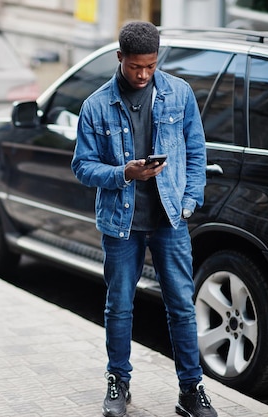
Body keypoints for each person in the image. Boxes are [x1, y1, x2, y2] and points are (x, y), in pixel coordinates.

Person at [71, 21, 217, 417]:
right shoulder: (96, 105)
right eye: (136, 66)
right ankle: (118, 381)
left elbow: (196, 151)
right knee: (119, 306)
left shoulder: (179, 94)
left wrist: (189, 200)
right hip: (121, 224)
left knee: (182, 307)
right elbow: (82, 167)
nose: (143, 74)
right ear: (120, 58)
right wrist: (123, 173)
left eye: (150, 66)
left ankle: (191, 390)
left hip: (170, 218)